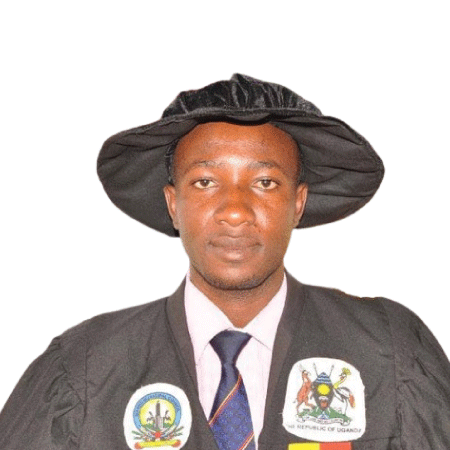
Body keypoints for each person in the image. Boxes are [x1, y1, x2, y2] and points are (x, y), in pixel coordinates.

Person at [1, 74, 449, 450]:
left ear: (298, 203)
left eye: (265, 182)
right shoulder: (85, 370)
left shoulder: (389, 354)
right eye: (205, 182)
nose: (235, 210)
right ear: (173, 205)